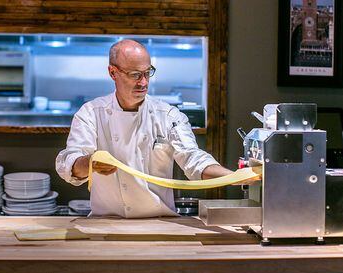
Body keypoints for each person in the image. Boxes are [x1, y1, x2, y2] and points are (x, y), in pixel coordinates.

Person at [56, 39, 239, 218]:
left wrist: (236, 177)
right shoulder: (91, 113)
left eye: (147, 73)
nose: (143, 82)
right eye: (135, 74)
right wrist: (91, 162)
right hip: (107, 221)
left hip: (160, 222)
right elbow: (69, 163)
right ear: (113, 72)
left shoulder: (168, 115)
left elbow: (193, 159)